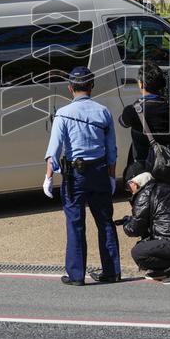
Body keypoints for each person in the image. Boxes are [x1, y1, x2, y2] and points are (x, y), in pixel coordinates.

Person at [43, 66, 122, 286]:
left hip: (75, 174)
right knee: (105, 221)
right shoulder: (103, 111)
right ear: (92, 85)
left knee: (76, 223)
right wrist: (112, 176)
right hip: (99, 171)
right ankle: (112, 271)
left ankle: (76, 274)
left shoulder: (63, 114)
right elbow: (111, 150)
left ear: (70, 88)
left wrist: (48, 177)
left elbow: (54, 150)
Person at [123, 172, 170, 285]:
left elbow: (134, 229)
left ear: (134, 183)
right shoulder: (165, 187)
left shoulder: (144, 195)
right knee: (146, 243)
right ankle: (165, 270)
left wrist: (127, 223)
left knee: (138, 252)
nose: (128, 190)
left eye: (128, 186)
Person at [118, 62, 170, 183]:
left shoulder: (133, 110)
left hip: (143, 171)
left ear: (142, 84)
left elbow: (122, 122)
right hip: (166, 167)